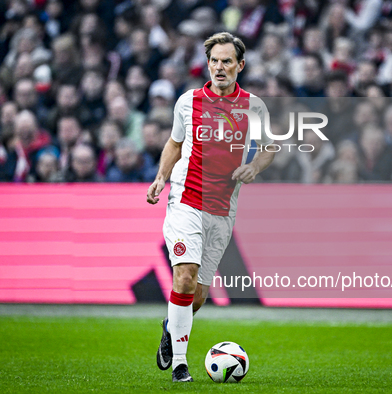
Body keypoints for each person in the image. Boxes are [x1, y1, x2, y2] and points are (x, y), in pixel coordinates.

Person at [146, 32, 275, 383]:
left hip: (222, 210)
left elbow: (269, 148)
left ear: (240, 65)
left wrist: (254, 167)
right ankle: (180, 367)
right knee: (184, 276)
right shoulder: (188, 102)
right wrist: (160, 178)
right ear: (208, 64)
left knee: (197, 296)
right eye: (214, 61)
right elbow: (174, 144)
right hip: (185, 200)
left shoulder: (254, 106)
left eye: (227, 61)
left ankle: (170, 327)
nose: (219, 67)